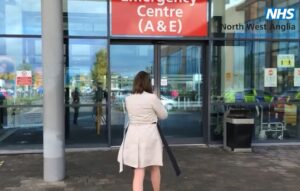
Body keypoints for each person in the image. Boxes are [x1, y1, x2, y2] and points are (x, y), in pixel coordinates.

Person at [117, 71, 168, 191]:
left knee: (138, 172)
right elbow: (164, 115)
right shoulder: (152, 98)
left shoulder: (129, 99)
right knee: (154, 167)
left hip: (133, 135)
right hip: (150, 135)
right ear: (148, 83)